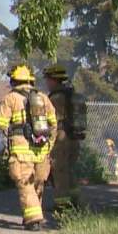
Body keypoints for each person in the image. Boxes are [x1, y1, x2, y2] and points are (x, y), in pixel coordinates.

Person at [0, 64, 57, 230]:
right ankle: (33, 214)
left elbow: (1, 123)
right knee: (38, 183)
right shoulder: (43, 97)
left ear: (14, 81)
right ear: (30, 81)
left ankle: (33, 218)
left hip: (22, 150)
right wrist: (49, 144)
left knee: (25, 183)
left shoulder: (11, 98)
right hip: (42, 148)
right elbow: (53, 122)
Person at [44, 64, 84, 212]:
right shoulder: (71, 94)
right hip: (74, 137)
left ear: (54, 80)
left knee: (59, 172)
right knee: (70, 171)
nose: (47, 83)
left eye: (48, 80)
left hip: (61, 137)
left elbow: (51, 120)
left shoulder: (55, 98)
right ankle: (75, 202)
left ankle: (62, 205)